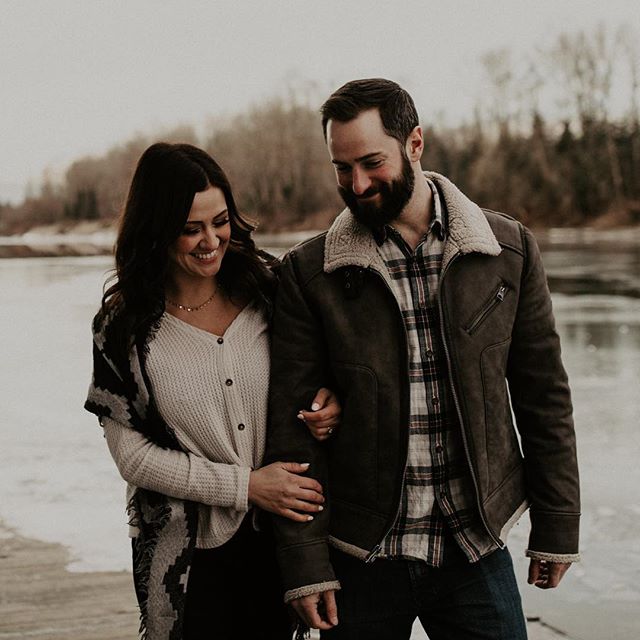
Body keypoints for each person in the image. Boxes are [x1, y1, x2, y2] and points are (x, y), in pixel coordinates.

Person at [265, 78, 580, 639]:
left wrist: (558, 523)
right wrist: (306, 565)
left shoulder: (505, 251)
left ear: (415, 143)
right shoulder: (309, 275)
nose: (357, 184)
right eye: (341, 168)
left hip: (473, 546)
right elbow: (291, 437)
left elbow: (543, 396)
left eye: (371, 162)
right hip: (358, 555)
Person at [84, 142, 341, 640]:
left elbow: (322, 370)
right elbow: (133, 457)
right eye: (190, 228)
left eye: (220, 221)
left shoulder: (271, 291)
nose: (211, 240)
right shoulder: (123, 328)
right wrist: (246, 486)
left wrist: (332, 399)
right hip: (185, 559)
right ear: (157, 229)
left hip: (284, 541)